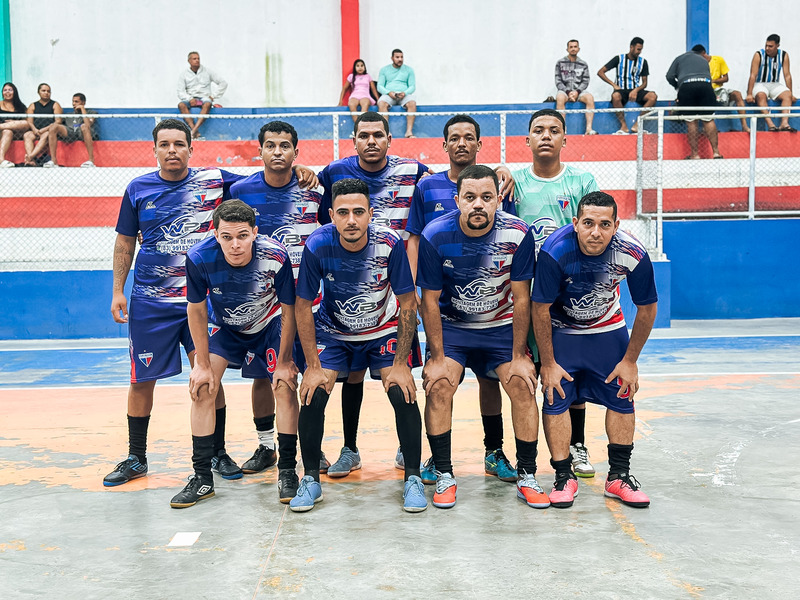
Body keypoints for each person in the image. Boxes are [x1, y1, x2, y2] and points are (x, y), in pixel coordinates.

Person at [104, 119, 244, 488]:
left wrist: (303, 172)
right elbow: (124, 243)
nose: (172, 150)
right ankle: (136, 457)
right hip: (151, 302)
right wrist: (118, 290)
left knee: (208, 376)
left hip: (202, 301)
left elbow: (262, 182)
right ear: (154, 149)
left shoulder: (214, 181)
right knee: (141, 379)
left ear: (190, 149)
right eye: (164, 144)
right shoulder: (138, 189)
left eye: (179, 144)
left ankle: (217, 452)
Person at [292, 177, 426, 513]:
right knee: (312, 392)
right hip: (334, 332)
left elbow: (408, 303)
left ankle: (412, 477)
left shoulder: (389, 243)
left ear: (370, 213)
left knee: (402, 390)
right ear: (331, 216)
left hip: (382, 330)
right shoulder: (317, 244)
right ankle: (310, 479)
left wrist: (400, 364)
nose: (351, 220)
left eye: (358, 212)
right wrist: (312, 366)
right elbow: (302, 306)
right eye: (343, 213)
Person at [417, 165, 544, 509]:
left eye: (487, 197)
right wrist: (437, 357)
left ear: (498, 199)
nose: (478, 204)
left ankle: (527, 474)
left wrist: (519, 355)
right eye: (470, 197)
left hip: (500, 329)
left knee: (522, 384)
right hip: (454, 329)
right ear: (457, 199)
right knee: (439, 385)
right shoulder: (435, 234)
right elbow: (429, 300)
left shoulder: (517, 233)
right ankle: (444, 472)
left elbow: (522, 298)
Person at [406, 114, 519, 485]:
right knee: (440, 381)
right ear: (444, 145)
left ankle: (494, 451)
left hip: (490, 310)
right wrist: (414, 289)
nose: (461, 143)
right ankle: (439, 459)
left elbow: (508, 238)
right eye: (454, 137)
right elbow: (415, 239)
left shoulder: (498, 182)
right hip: (446, 310)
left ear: (479, 144)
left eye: (469, 137)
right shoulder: (427, 186)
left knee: (491, 381)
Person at [317, 111, 428, 478]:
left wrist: (503, 171)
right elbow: (308, 191)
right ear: (353, 141)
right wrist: (302, 171)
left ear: (389, 139)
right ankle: (349, 449)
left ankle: (407, 448)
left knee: (398, 376)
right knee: (351, 377)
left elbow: (449, 180)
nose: (371, 141)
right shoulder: (334, 172)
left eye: (378, 135)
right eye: (363, 135)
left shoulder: (412, 171)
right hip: (348, 290)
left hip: (394, 293)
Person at [532, 191, 658, 509]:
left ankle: (619, 477)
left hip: (607, 330)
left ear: (616, 226)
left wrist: (630, 361)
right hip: (563, 330)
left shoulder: (632, 252)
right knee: (555, 395)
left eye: (604, 224)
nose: (595, 232)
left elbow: (647, 308)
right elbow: (539, 308)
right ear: (576, 223)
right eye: (588, 223)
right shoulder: (555, 250)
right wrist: (548, 363)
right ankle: (563, 476)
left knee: (623, 392)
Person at [170, 201, 297, 508]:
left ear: (255, 233)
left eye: (242, 236)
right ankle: (202, 477)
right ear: (216, 235)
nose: (235, 244)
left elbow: (290, 309)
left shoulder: (276, 256)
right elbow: (196, 310)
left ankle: (288, 471)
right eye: (227, 237)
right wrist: (201, 364)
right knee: (203, 387)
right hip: (225, 327)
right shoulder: (199, 258)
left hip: (268, 324)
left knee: (283, 385)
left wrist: (284, 362)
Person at [229, 120, 324, 502]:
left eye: (285, 145)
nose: (278, 151)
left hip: (309, 299)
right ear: (260, 150)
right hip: (262, 303)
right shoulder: (240, 190)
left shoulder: (314, 188)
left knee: (313, 376)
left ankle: (313, 447)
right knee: (263, 377)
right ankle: (266, 445)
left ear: (296, 152)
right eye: (271, 145)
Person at [512, 108, 600, 477]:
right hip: (526, 296)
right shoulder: (514, 182)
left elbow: (595, 230)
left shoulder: (582, 181)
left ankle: (576, 446)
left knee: (569, 374)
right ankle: (525, 456)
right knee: (526, 375)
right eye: (538, 130)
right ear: (527, 139)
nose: (546, 135)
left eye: (553, 130)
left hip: (568, 297)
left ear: (565, 139)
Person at [667, 47, 724, 160]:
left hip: (687, 86)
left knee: (691, 121)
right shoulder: (704, 60)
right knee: (708, 119)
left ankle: (695, 154)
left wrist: (677, 86)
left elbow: (669, 76)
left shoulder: (679, 58)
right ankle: (716, 153)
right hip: (705, 86)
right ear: (701, 53)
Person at [597, 37, 658, 134]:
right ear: (631, 47)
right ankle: (624, 126)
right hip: (621, 90)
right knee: (615, 96)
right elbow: (600, 72)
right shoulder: (619, 59)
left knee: (653, 96)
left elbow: (644, 83)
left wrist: (636, 90)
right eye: (638, 49)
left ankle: (637, 124)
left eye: (641, 49)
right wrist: (613, 85)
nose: (639, 52)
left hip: (636, 90)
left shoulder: (643, 62)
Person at [745, 34, 797, 132]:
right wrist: (749, 93)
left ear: (777, 46)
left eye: (770, 46)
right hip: (759, 83)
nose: (767, 48)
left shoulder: (783, 55)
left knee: (787, 95)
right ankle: (771, 125)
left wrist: (791, 93)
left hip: (774, 84)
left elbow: (787, 75)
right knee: (761, 95)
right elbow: (753, 75)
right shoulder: (759, 55)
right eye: (766, 45)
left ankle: (784, 123)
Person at [695, 45, 751, 134]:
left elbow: (726, 78)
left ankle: (744, 126)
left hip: (719, 90)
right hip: (705, 91)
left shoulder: (718, 60)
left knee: (737, 94)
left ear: (703, 53)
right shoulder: (696, 65)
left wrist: (713, 81)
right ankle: (705, 129)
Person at [177, 51, 228, 139]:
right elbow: (180, 91)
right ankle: (195, 131)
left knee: (208, 103)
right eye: (194, 59)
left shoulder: (207, 71)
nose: (197, 60)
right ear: (189, 61)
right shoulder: (184, 74)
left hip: (205, 98)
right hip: (190, 98)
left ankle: (193, 131)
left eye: (198, 58)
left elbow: (223, 83)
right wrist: (189, 98)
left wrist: (213, 96)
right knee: (181, 105)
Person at [555, 40, 597, 135]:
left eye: (575, 47)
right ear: (567, 49)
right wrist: (568, 92)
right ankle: (563, 129)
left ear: (578, 49)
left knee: (590, 98)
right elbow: (558, 81)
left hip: (579, 92)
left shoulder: (583, 64)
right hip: (564, 92)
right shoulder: (560, 63)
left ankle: (589, 129)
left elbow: (585, 81)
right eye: (571, 47)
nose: (573, 49)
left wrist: (577, 92)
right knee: (560, 97)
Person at [23, 83, 68, 167]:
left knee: (46, 135)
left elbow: (58, 121)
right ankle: (31, 161)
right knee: (27, 135)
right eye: (43, 91)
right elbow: (29, 121)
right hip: (36, 131)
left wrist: (44, 130)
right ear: (38, 92)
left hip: (49, 131)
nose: (46, 93)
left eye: (48, 91)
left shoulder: (55, 104)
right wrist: (34, 129)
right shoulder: (33, 105)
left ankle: (30, 157)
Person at [377, 49, 417, 138]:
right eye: (397, 57)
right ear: (392, 58)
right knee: (382, 102)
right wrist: (389, 92)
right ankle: (386, 132)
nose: (400, 59)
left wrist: (405, 93)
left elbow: (412, 86)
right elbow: (380, 86)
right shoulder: (384, 70)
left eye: (401, 57)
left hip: (404, 94)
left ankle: (409, 132)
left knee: (412, 103)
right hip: (389, 94)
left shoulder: (409, 70)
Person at [62, 93, 98, 167]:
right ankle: (54, 161)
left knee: (84, 126)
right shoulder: (68, 115)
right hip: (72, 135)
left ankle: (91, 160)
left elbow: (88, 125)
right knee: (54, 127)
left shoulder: (91, 112)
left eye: (76, 101)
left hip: (86, 134)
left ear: (83, 102)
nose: (74, 104)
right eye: (73, 101)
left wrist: (82, 109)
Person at [0, 82, 29, 168]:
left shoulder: (21, 106)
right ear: (2, 93)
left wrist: (12, 123)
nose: (7, 92)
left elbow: (26, 124)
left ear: (14, 92)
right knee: (7, 131)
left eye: (10, 90)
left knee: (26, 123)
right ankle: (1, 159)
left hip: (17, 132)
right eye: (5, 90)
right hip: (3, 133)